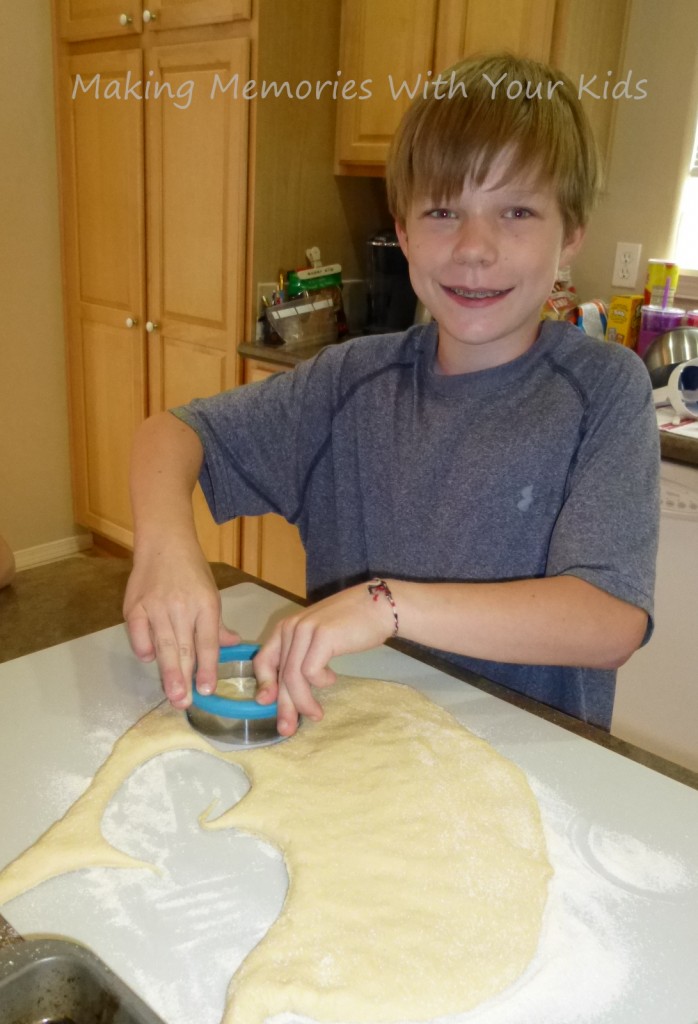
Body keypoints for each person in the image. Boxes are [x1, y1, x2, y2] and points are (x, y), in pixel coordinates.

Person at [124, 53, 659, 737]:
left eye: (517, 212)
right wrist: (167, 550)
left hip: (528, 779)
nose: (474, 248)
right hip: (351, 748)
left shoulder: (604, 392)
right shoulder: (348, 383)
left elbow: (608, 621)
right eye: (443, 211)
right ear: (402, 231)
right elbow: (170, 434)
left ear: (571, 237)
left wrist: (384, 606)